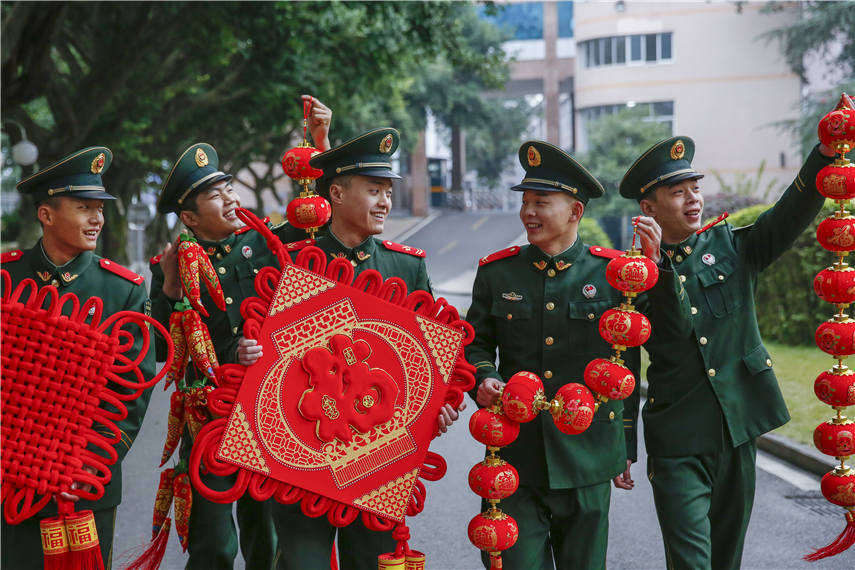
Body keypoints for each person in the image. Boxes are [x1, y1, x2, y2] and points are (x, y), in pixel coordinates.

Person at [238, 127, 464, 570]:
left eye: (388, 191)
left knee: (371, 562)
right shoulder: (290, 259)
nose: (385, 202)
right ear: (336, 194)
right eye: (374, 190)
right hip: (301, 450)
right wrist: (245, 350)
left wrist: (438, 404)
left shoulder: (406, 265)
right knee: (302, 561)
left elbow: (427, 360)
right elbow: (254, 339)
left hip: (375, 454)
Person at [465, 140, 688, 569]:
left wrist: (626, 443)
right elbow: (474, 342)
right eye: (526, 202)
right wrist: (483, 377)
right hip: (515, 455)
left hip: (587, 454)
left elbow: (637, 357)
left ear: (575, 212)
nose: (528, 212)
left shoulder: (615, 274)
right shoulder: (497, 272)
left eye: (541, 202)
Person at [619, 134, 837, 569]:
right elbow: (640, 355)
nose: (692, 199)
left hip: (738, 428)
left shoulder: (735, 247)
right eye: (677, 192)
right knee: (691, 562)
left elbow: (789, 214)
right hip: (677, 440)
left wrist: (822, 157)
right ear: (649, 209)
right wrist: (623, 443)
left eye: (695, 188)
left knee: (725, 560)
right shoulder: (632, 278)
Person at [148, 96, 332, 569]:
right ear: (188, 218)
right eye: (214, 195)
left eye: (228, 186)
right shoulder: (172, 266)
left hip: (267, 403)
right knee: (213, 543)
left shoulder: (266, 240)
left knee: (265, 534)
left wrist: (319, 140)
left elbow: (319, 214)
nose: (230, 197)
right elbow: (157, 350)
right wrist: (169, 289)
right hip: (207, 411)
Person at [1, 147, 155, 569]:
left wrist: (82, 464)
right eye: (83, 207)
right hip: (9, 476)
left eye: (99, 209)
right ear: (46, 215)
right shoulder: (6, 278)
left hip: (83, 482)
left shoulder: (122, 291)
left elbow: (128, 398)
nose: (97, 219)